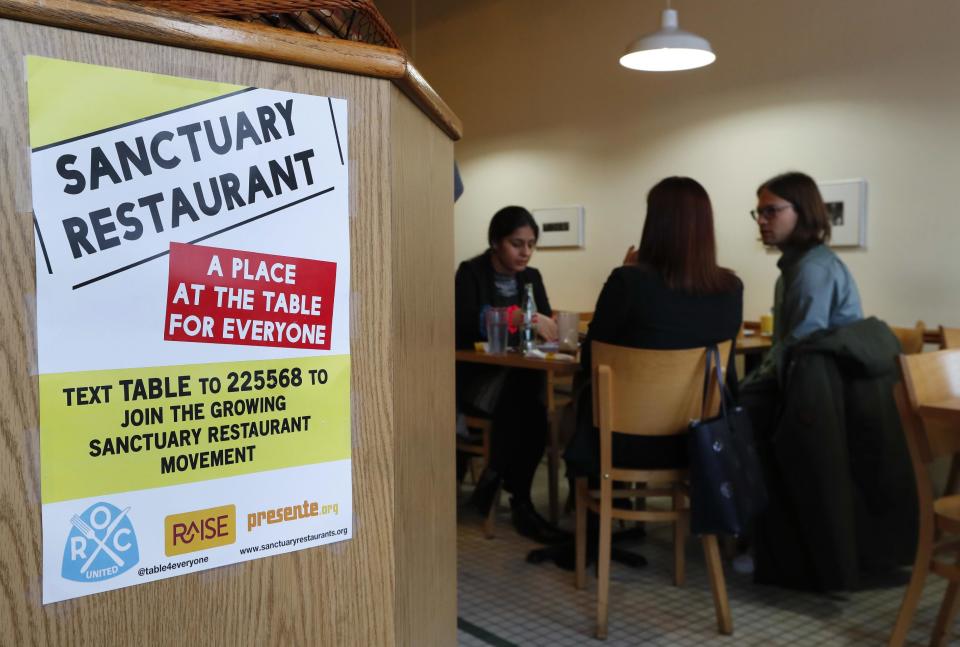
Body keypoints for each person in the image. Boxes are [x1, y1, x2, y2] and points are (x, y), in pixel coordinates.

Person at [544, 177, 742, 569]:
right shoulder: (730, 287)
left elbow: (592, 359)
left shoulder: (628, 282)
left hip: (620, 444)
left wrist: (627, 271)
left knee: (579, 409)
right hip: (698, 443)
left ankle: (596, 527)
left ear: (654, 225)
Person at [455, 206, 563, 545]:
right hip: (476, 379)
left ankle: (497, 477)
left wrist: (545, 327)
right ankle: (521, 502)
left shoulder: (532, 278)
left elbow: (545, 324)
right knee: (530, 404)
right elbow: (465, 322)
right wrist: (518, 318)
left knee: (527, 399)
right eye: (517, 244)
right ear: (495, 242)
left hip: (517, 379)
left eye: (531, 244)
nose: (525, 252)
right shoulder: (471, 273)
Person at [743, 171, 862, 389]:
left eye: (771, 211)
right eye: (759, 212)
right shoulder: (798, 265)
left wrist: (750, 385)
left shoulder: (811, 269)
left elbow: (799, 349)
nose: (761, 220)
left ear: (803, 211)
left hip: (822, 396)